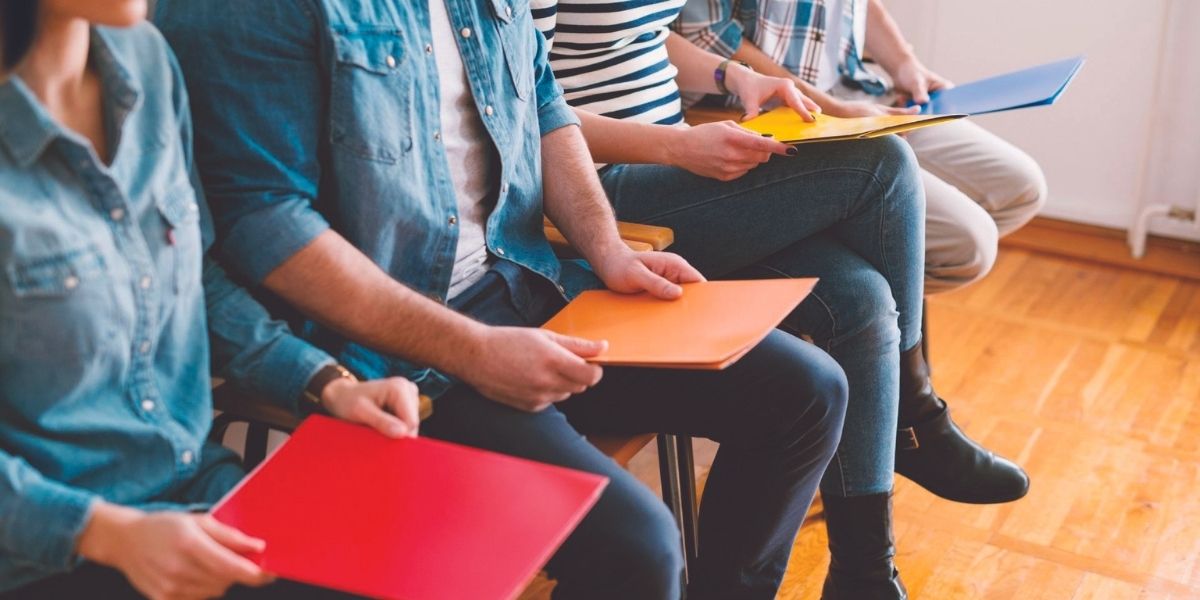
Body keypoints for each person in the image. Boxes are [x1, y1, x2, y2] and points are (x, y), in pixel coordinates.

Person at [154, 0, 849, 597]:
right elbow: (261, 220)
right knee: (639, 547)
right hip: (395, 357)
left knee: (808, 392)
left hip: (524, 284)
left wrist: (606, 248)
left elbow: (542, 100)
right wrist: (473, 350)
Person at [531, 1, 1029, 596]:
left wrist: (729, 76)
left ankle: (864, 574)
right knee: (882, 164)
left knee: (864, 301)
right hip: (601, 188)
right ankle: (914, 418)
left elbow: (639, 35)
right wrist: (675, 148)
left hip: (670, 158)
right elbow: (527, 108)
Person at [0, 1, 424, 597]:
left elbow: (194, 278)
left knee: (412, 556)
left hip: (195, 488)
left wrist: (327, 383)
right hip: (45, 555)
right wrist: (107, 533)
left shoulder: (147, 59)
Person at [676, 0, 1048, 295]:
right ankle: (849, 322)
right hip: (762, 114)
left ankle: (868, 317)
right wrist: (833, 111)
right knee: (966, 246)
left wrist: (905, 64)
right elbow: (708, 35)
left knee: (1019, 186)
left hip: (854, 92)